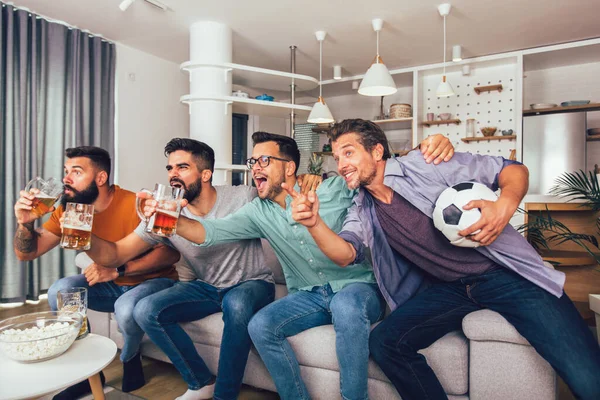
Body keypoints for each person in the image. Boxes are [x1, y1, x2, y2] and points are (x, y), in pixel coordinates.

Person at [288, 118, 600, 400]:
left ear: (377, 152)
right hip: (452, 288)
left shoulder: (425, 163)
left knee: (587, 378)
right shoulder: (361, 207)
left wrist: (504, 206)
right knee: (385, 342)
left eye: (349, 152)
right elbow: (347, 253)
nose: (341, 164)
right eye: (337, 156)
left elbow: (512, 169)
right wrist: (315, 224)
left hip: (507, 276)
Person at [136, 131, 454, 400]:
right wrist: (171, 220)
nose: (254, 168)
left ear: (289, 168)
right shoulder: (256, 211)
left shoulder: (332, 188)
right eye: (252, 162)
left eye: (264, 161)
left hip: (358, 287)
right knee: (260, 324)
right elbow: (208, 233)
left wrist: (429, 146)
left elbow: (375, 169)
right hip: (308, 295)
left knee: (345, 306)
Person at [83, 138, 275, 400]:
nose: (173, 175)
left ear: (205, 174)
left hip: (252, 283)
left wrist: (310, 180)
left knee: (237, 304)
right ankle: (200, 382)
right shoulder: (164, 212)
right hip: (207, 286)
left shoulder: (242, 196)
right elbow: (116, 253)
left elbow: (278, 194)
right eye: (170, 168)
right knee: (146, 310)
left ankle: (224, 395)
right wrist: (81, 232)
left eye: (182, 167)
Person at [13, 146, 180, 397]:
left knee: (126, 306)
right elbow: (27, 253)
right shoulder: (68, 208)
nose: (66, 179)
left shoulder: (133, 203)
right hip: (110, 286)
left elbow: (169, 253)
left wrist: (118, 269)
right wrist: (25, 223)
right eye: (66, 171)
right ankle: (88, 372)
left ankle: (130, 355)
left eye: (76, 172)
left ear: (101, 178)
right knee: (61, 290)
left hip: (154, 281)